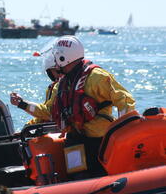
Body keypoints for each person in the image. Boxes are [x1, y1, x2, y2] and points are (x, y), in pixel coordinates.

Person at [49, 35, 135, 179]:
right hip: (74, 140)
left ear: (63, 57)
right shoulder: (63, 83)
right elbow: (48, 110)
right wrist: (23, 104)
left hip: (98, 141)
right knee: (76, 178)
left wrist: (123, 134)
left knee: (100, 177)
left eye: (56, 56)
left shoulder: (97, 77)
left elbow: (125, 100)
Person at [10, 49, 61, 125]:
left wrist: (23, 104)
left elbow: (48, 113)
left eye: (50, 71)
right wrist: (28, 125)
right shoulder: (54, 86)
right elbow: (43, 114)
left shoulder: (60, 86)